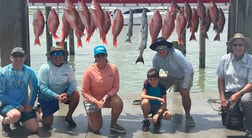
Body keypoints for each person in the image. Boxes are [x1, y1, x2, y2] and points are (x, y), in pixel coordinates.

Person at [149, 37, 195, 127]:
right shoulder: (156, 59)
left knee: (184, 93)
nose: (161, 51)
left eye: (163, 48)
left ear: (167, 47)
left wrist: (184, 86)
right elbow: (155, 74)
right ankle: (158, 112)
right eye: (158, 49)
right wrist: (150, 85)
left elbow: (188, 69)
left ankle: (188, 116)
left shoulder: (176, 54)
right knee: (154, 87)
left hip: (185, 74)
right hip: (171, 76)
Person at [81, 45, 126, 134]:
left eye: (103, 55)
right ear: (95, 57)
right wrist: (96, 102)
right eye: (98, 56)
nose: (101, 57)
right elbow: (84, 91)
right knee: (95, 128)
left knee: (118, 102)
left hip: (106, 98)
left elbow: (116, 87)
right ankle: (91, 115)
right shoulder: (89, 71)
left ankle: (113, 124)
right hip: (92, 100)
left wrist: (107, 96)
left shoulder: (114, 68)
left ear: (106, 55)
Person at [216, 33, 252, 138]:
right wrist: (222, 98)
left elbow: (251, 82)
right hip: (229, 92)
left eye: (240, 45)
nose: (238, 47)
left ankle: (250, 128)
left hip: (245, 91)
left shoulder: (251, 60)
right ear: (231, 47)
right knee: (229, 122)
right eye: (235, 45)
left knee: (246, 100)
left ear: (245, 47)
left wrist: (239, 94)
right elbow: (220, 79)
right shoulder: (224, 59)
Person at [0, 47, 39, 136]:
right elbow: (0, 93)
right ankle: (6, 122)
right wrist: (16, 105)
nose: (18, 58)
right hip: (7, 105)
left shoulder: (29, 71)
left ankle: (18, 120)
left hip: (24, 105)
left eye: (20, 56)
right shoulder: (3, 72)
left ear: (24, 57)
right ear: (11, 57)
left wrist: (30, 103)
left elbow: (34, 89)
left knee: (34, 128)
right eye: (15, 56)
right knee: (15, 115)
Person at [38, 45, 80, 128]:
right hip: (48, 96)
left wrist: (67, 94)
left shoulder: (68, 67)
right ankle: (39, 109)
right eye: (55, 54)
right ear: (50, 56)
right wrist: (56, 96)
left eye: (60, 53)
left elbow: (72, 83)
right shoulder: (44, 68)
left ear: (64, 56)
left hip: (62, 93)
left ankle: (69, 116)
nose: (58, 56)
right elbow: (42, 87)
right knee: (47, 123)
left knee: (76, 94)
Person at [141, 68, 172, 133]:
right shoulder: (147, 85)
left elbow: (164, 104)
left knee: (168, 115)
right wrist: (157, 98)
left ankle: (157, 118)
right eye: (150, 80)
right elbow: (142, 96)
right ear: (148, 80)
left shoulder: (162, 87)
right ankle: (146, 121)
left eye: (155, 79)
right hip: (149, 106)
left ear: (158, 79)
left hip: (158, 107)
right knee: (145, 102)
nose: (153, 81)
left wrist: (157, 114)